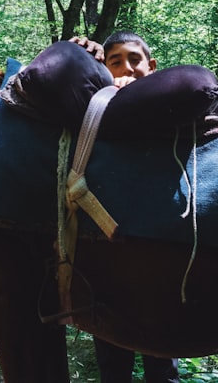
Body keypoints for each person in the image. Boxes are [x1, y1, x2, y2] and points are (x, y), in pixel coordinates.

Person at [69, 30, 182, 383]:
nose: (127, 68)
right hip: (107, 266)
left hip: (161, 262)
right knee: (113, 371)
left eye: (135, 59)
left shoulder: (170, 103)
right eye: (115, 61)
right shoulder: (94, 110)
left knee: (162, 371)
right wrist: (82, 56)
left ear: (152, 66)